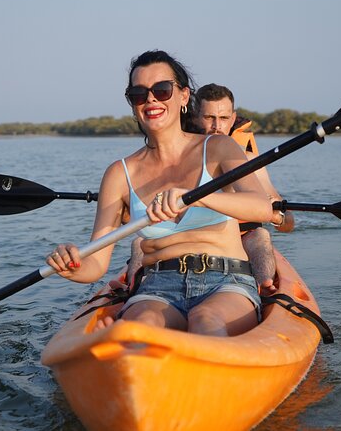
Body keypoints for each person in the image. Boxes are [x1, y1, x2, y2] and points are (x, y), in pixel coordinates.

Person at [46, 50, 280, 337]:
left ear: (183, 96)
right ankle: (124, 345)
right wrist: (72, 266)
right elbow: (95, 263)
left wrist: (196, 195)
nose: (151, 99)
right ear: (132, 105)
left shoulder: (218, 148)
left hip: (225, 281)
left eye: (162, 90)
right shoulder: (119, 173)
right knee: (140, 329)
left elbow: (262, 208)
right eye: (139, 94)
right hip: (156, 286)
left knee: (206, 321)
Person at [194, 83, 295, 294]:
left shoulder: (249, 160)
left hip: (242, 237)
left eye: (223, 118)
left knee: (260, 236)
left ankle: (265, 289)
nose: (216, 126)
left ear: (233, 119)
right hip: (192, 237)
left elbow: (288, 224)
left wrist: (276, 215)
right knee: (140, 241)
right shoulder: (180, 158)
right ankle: (128, 288)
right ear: (196, 117)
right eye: (209, 117)